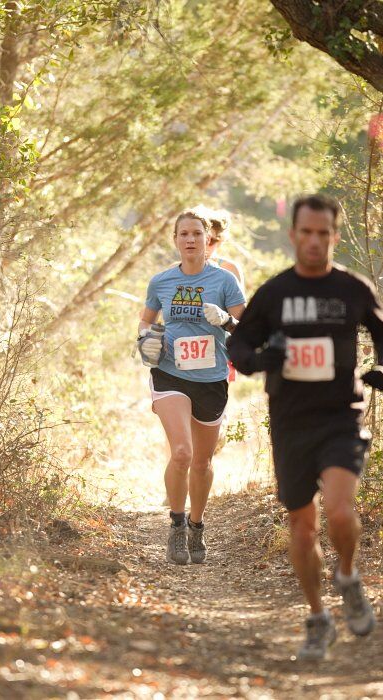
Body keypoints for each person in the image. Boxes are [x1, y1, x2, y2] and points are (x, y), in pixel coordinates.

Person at [227, 194, 383, 660]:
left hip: (341, 416)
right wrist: (262, 360)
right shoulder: (276, 293)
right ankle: (318, 618)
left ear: (334, 237)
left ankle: (347, 573)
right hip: (290, 422)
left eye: (324, 234)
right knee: (302, 529)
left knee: (341, 513)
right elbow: (238, 346)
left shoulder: (352, 289)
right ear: (293, 235)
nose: (315, 241)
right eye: (307, 232)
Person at [137, 209, 245, 565]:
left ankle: (198, 526)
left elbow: (249, 329)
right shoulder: (161, 282)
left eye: (196, 234)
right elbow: (146, 322)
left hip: (211, 379)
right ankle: (176, 527)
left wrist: (227, 320)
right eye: (183, 234)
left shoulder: (225, 281)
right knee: (181, 453)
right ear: (175, 240)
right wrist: (145, 341)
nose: (190, 240)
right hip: (169, 374)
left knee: (202, 461)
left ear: (206, 238)